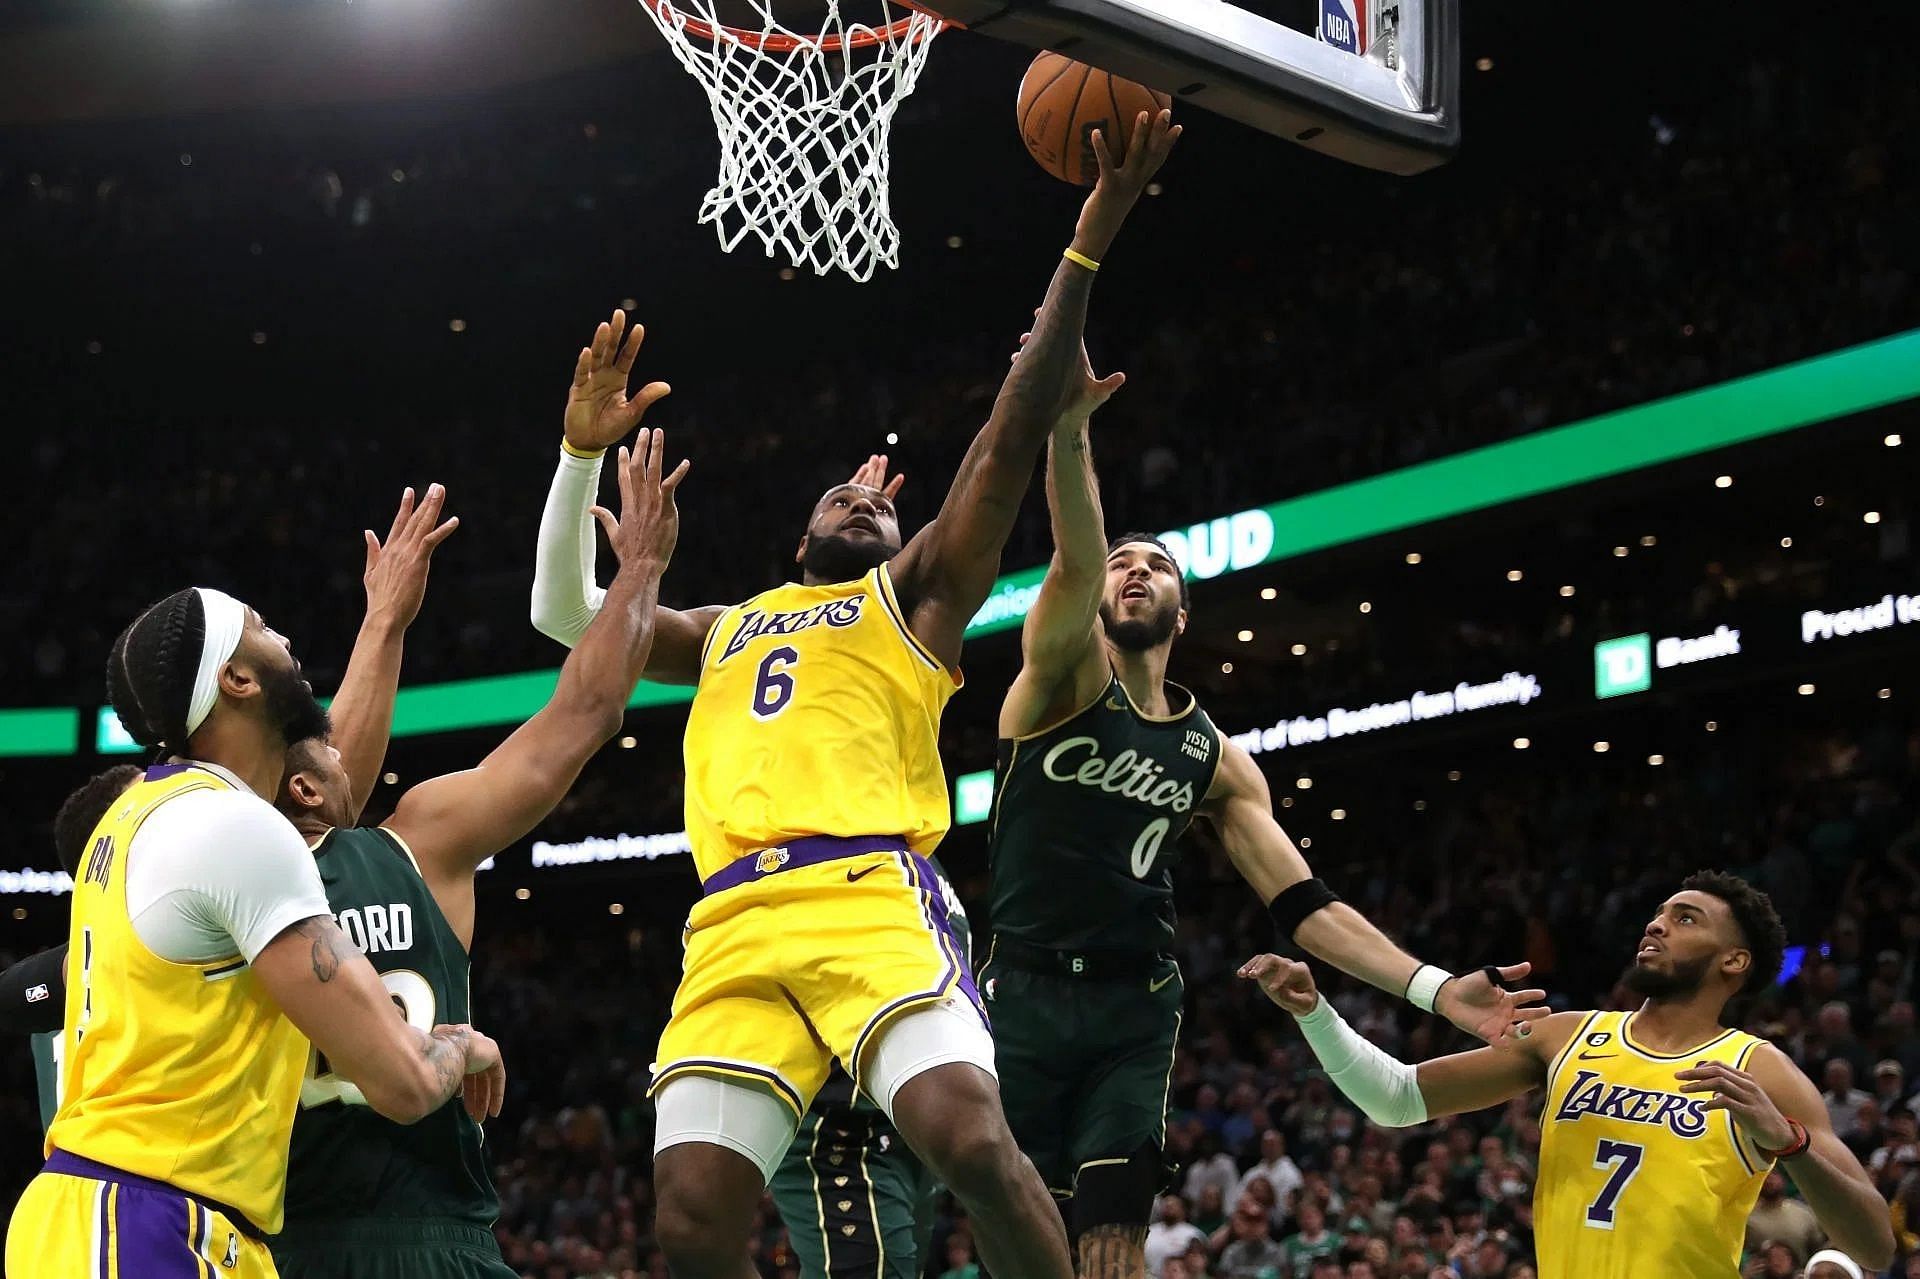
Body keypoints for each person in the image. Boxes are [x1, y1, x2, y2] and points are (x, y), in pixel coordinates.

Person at [529, 111, 1182, 1279]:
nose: (865, 502)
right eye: (842, 497)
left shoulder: (914, 598)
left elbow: (1005, 431)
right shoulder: (722, 627)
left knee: (971, 1136)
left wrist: (1091, 235)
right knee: (686, 1217)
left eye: (882, 505)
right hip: (732, 915)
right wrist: (581, 462)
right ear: (799, 531)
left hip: (871, 891)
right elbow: (568, 621)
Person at [980, 322, 1544, 1279]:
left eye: (1156, 565)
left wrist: (1435, 987)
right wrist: (1069, 429)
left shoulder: (1218, 760)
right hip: (1020, 991)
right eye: (1123, 561)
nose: (1132, 571)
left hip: (1133, 1001)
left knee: (1112, 1237)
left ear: (1184, 611)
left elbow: (1304, 904)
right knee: (1021, 1237)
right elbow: (1075, 558)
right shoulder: (1063, 676)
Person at [270, 433, 685, 1279]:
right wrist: (640, 566)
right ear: (308, 787)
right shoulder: (420, 840)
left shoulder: (224, 874)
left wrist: (385, 621)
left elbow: (326, 777)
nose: (345, 743)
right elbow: (586, 709)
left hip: (274, 1243)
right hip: (430, 1237)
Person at [6, 579, 503, 1278]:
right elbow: (404, 1081)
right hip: (141, 1218)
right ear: (235, 679)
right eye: (264, 628)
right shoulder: (235, 827)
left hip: (146, 1216)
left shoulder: (139, 817)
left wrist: (385, 623)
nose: (289, 643)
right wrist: (461, 1042)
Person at [1242, 871, 1897, 1278]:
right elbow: (1397, 1097)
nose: (1657, 923)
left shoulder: (1762, 1070)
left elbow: (1875, 1245)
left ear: (1734, 961)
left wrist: (1791, 1143)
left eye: (1685, 917)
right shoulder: (1568, 1035)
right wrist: (1315, 1012)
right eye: (1660, 912)